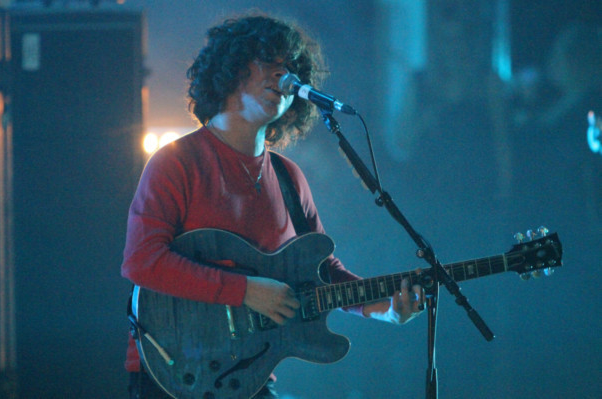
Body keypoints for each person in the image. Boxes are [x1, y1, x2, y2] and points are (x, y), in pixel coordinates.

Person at [121, 13, 424, 399]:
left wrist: (383, 308)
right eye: (269, 62)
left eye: (291, 67)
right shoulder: (176, 162)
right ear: (230, 69)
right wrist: (244, 290)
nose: (284, 77)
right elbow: (142, 262)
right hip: (170, 370)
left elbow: (323, 272)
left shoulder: (288, 177)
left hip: (248, 374)